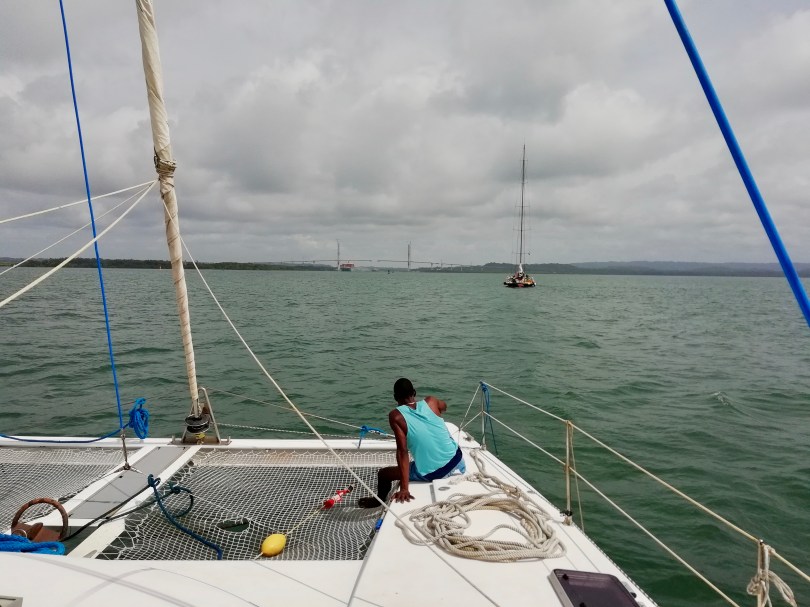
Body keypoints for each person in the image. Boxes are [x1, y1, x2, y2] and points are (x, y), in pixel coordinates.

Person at [358, 378, 465, 508]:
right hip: (457, 460)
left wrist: (404, 488)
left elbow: (402, 451)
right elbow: (444, 406)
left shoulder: (396, 416)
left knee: (383, 474)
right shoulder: (431, 401)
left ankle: (377, 502)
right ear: (414, 392)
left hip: (436, 473)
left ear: (395, 397)